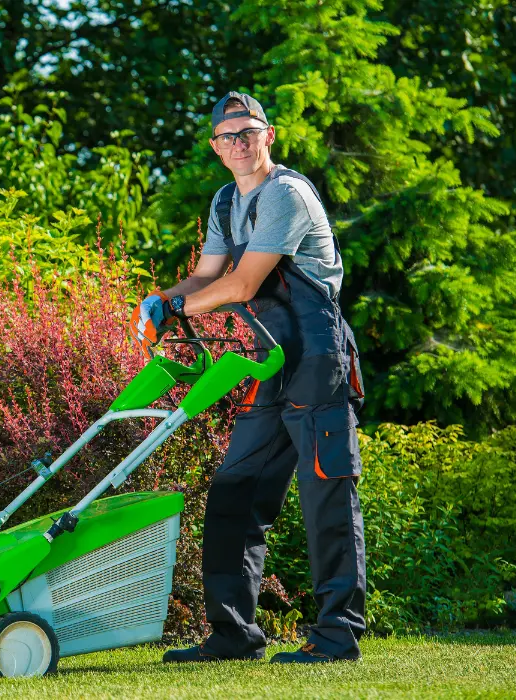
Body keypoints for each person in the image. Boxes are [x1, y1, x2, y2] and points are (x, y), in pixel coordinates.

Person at [134, 92, 367, 664]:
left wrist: (182, 311)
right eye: (227, 135)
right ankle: (233, 633)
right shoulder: (224, 203)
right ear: (216, 148)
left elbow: (240, 287)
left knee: (326, 493)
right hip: (271, 361)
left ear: (269, 136)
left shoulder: (286, 193)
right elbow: (206, 276)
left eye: (248, 131)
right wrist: (160, 301)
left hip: (318, 359)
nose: (238, 143)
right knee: (235, 489)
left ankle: (336, 638)